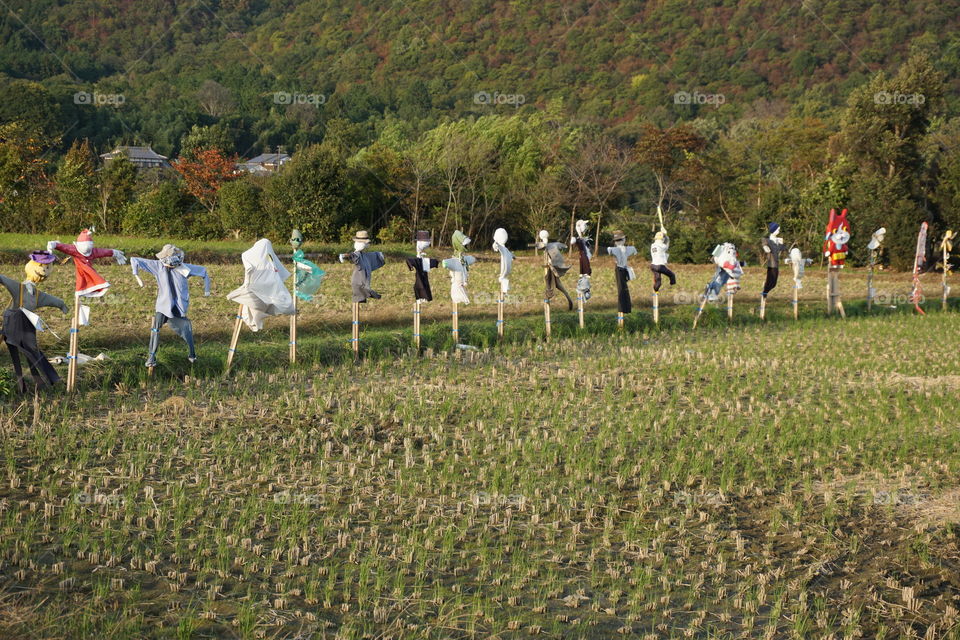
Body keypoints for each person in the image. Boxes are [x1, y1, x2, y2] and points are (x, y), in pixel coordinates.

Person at [130, 245, 211, 367]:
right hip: (163, 306)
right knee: (155, 329)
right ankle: (152, 357)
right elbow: (134, 260)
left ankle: (192, 354)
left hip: (178, 307)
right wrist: (136, 275)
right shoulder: (158, 266)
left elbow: (204, 272)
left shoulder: (185, 268)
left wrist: (207, 290)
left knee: (186, 328)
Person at [0, 251, 68, 392]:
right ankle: (30, 384)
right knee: (19, 352)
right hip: (13, 321)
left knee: (32, 351)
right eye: (42, 266)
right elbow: (4, 279)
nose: (44, 270)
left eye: (48, 267)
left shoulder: (37, 295)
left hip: (27, 324)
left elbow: (51, 300)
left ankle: (41, 382)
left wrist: (61, 304)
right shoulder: (19, 287)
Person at [339, 230, 385, 303]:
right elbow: (351, 256)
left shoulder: (364, 255)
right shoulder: (357, 254)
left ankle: (368, 293)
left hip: (363, 281)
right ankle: (368, 293)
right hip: (358, 282)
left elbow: (375, 256)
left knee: (361, 295)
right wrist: (344, 256)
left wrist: (381, 255)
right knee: (358, 296)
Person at [607, 230, 637, 314]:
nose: (619, 242)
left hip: (623, 269)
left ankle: (626, 309)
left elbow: (632, 250)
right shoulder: (617, 249)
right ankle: (623, 309)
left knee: (624, 289)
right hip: (620, 269)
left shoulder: (625, 249)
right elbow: (609, 250)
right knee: (622, 289)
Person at [406, 230, 440, 302]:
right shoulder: (418, 260)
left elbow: (434, 262)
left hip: (423, 278)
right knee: (420, 285)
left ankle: (423, 298)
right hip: (420, 279)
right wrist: (411, 266)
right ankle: (421, 299)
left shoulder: (423, 260)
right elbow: (410, 260)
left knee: (423, 285)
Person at [761, 222, 784, 299]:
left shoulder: (779, 240)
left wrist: (781, 244)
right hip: (771, 264)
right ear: (773, 230)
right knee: (770, 282)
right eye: (778, 229)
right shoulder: (767, 240)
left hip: (776, 264)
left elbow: (782, 249)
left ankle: (765, 292)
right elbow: (765, 247)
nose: (779, 231)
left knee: (774, 283)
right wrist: (766, 247)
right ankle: (764, 293)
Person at [649, 226, 676, 293]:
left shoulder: (652, 245)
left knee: (658, 281)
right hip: (660, 266)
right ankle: (672, 287)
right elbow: (667, 244)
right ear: (662, 239)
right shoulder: (662, 246)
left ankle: (656, 291)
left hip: (653, 266)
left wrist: (663, 234)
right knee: (672, 275)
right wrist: (666, 235)